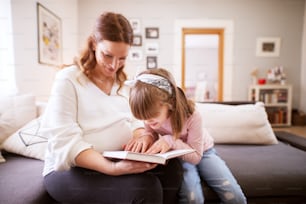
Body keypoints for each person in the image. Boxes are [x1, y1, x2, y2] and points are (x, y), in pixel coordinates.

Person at [40, 12, 182, 203]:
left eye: (122, 58)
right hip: (70, 170)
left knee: (172, 168)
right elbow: (66, 142)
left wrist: (144, 136)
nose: (114, 65)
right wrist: (113, 169)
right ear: (93, 44)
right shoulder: (68, 79)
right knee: (146, 188)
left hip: (115, 158)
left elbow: (136, 122)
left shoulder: (124, 85)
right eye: (108, 55)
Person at [125, 68, 247, 204]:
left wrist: (170, 140)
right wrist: (147, 137)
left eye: (152, 117)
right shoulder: (150, 117)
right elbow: (151, 133)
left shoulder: (192, 116)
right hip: (178, 156)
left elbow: (195, 157)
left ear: (169, 103)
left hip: (203, 152)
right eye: (144, 119)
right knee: (193, 199)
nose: (148, 122)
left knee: (235, 197)